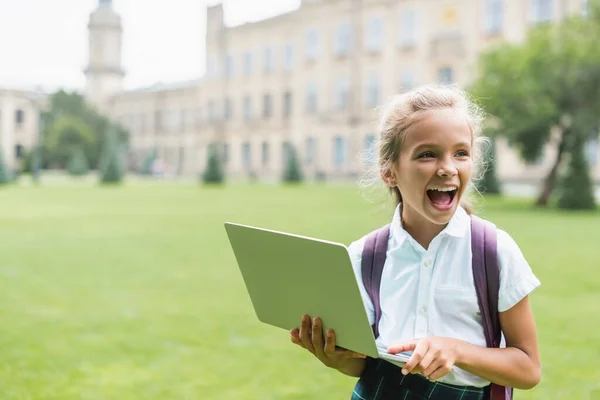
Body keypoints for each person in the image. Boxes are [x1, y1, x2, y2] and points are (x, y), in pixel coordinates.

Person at [289, 84, 541, 399]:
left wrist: (458, 351)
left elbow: (528, 369)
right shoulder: (364, 256)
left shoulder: (493, 251)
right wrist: (335, 357)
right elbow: (361, 364)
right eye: (427, 154)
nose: (448, 167)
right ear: (389, 171)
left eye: (460, 153)